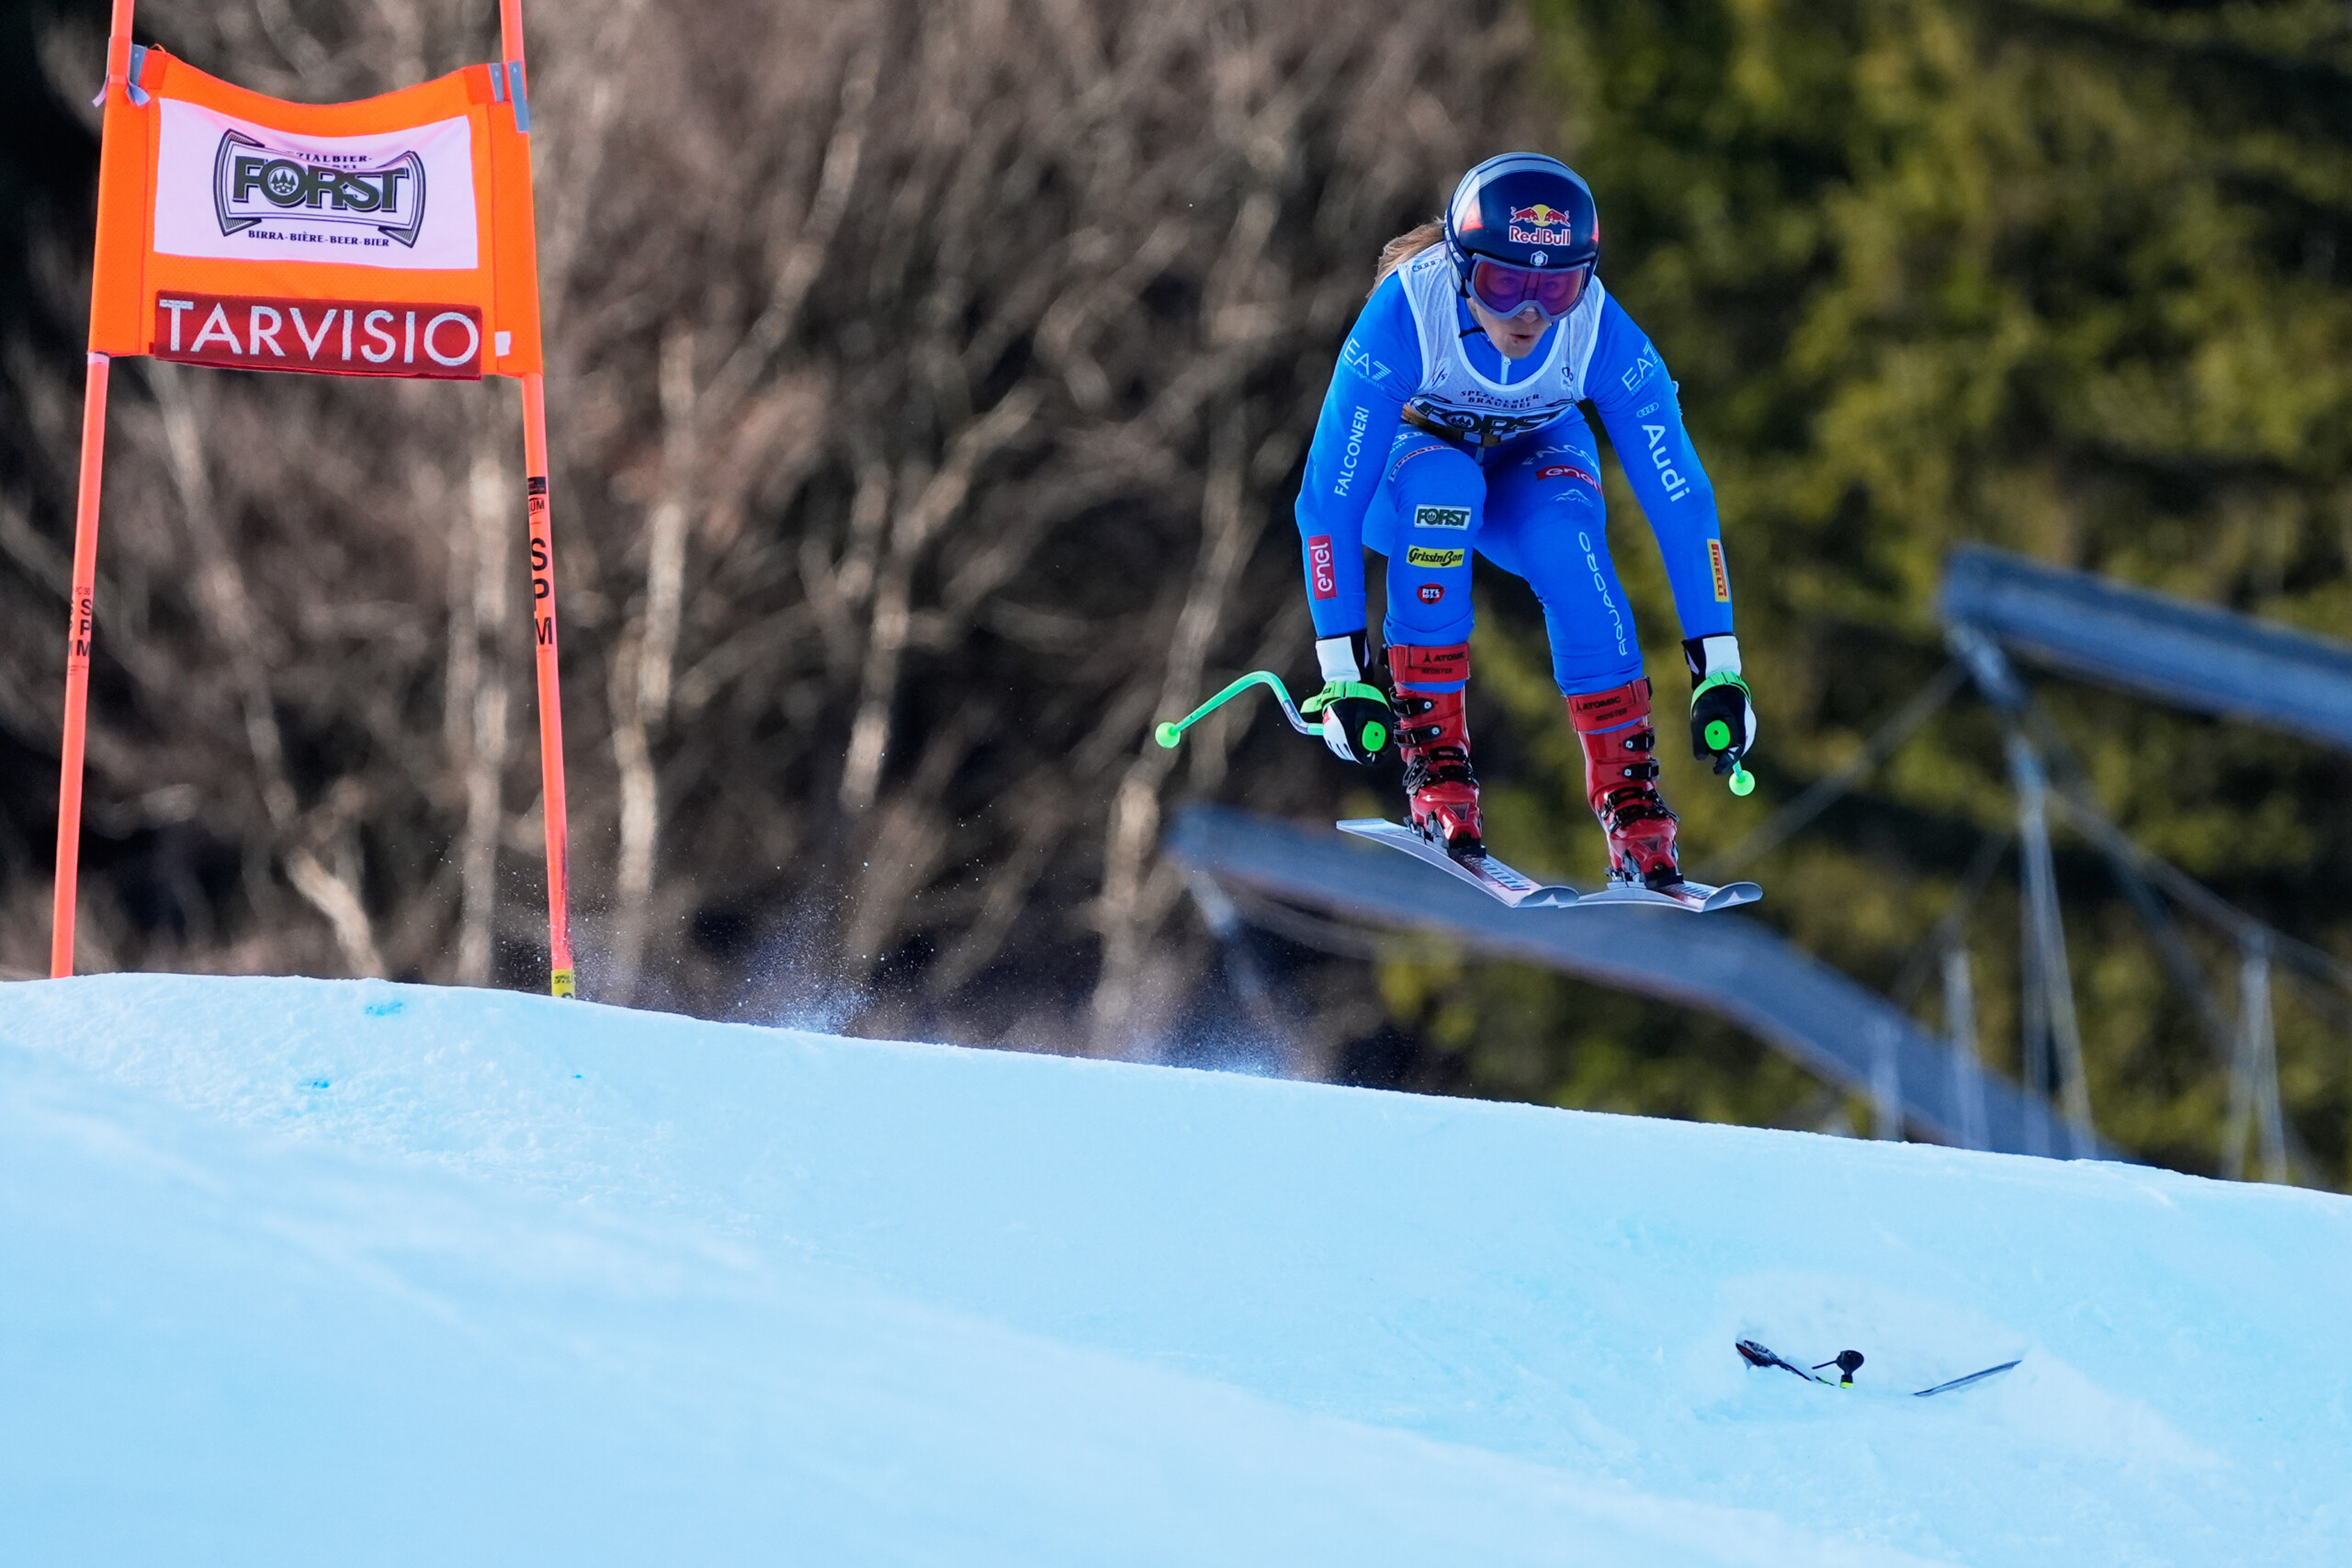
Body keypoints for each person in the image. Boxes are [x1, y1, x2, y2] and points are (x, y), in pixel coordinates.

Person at [1293, 152, 1756, 889]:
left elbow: (1683, 500)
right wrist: (1344, 673)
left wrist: (1719, 669)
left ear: (1586, 278)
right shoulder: (1409, 311)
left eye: (1558, 288)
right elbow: (1327, 500)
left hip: (1528, 460)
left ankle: (1630, 800)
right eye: (1503, 285)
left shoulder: (1597, 330)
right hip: (1407, 475)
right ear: (1461, 269)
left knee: (1569, 546)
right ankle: (1436, 763)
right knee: (1446, 488)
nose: (1530, 314)